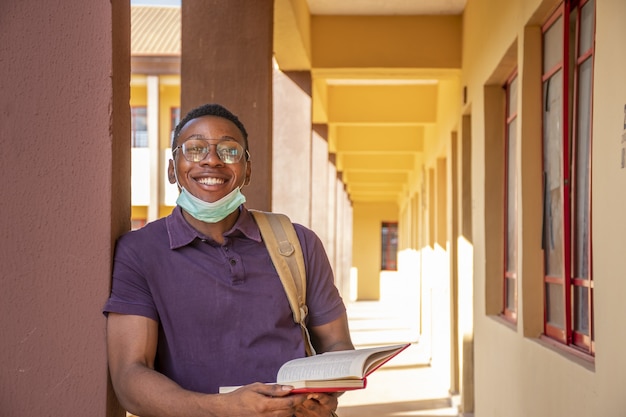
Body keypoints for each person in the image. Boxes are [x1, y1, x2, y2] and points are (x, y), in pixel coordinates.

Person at [103, 103, 354, 417]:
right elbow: (129, 377)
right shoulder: (140, 251)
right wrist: (224, 408)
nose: (211, 159)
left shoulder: (297, 243)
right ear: (172, 169)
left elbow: (337, 346)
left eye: (229, 151)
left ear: (247, 170)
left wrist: (328, 390)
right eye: (194, 149)